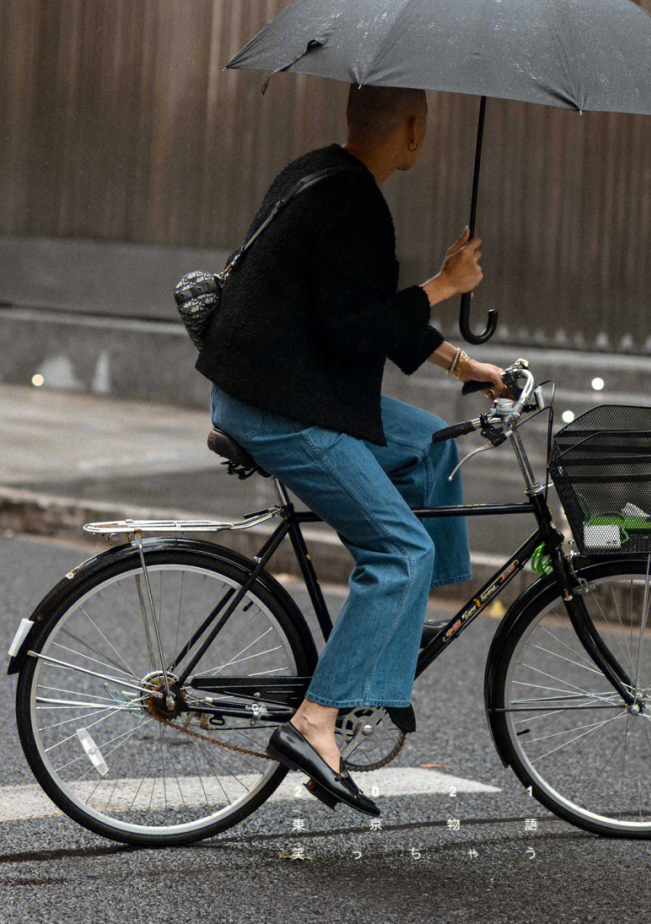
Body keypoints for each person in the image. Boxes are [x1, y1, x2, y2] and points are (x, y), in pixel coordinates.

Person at [195, 83, 508, 815]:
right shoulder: (355, 204)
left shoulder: (318, 172)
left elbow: (364, 314)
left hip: (283, 385)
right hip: (280, 407)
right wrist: (442, 282)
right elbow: (356, 332)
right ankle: (315, 720)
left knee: (433, 444)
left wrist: (466, 367)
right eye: (422, 124)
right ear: (412, 129)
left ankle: (393, 633)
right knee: (402, 552)